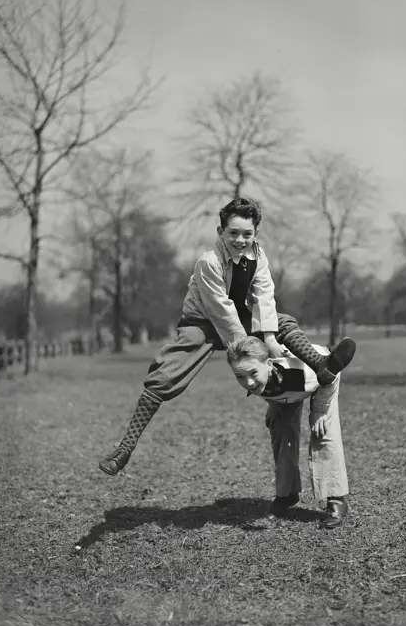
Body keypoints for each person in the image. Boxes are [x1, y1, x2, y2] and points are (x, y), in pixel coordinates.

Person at [99, 198, 356, 476]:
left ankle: (321, 365)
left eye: (247, 234)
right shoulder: (208, 262)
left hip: (239, 316)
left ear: (255, 234)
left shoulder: (259, 257)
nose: (240, 240)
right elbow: (221, 311)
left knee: (282, 322)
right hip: (203, 320)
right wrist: (246, 349)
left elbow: (264, 298)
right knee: (166, 374)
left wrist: (269, 339)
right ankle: (124, 448)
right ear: (220, 232)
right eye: (233, 233)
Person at [226, 335, 351, 529]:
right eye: (240, 377)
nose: (248, 382)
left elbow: (329, 377)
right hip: (285, 387)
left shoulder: (298, 373)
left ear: (268, 364)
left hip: (321, 377)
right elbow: (265, 386)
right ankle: (287, 494)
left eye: (252, 373)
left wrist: (319, 410)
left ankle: (336, 499)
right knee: (280, 430)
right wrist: (274, 405)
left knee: (323, 432)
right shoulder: (259, 374)